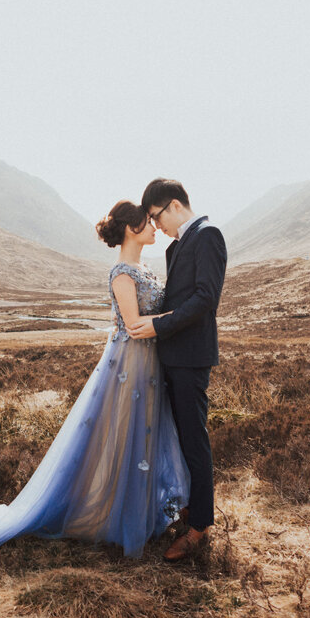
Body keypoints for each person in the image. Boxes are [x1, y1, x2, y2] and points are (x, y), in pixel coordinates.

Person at [0, 200, 190, 559]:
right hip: (130, 367)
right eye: (147, 222)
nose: (155, 226)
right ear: (130, 229)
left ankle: (137, 510)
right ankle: (109, 514)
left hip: (150, 368)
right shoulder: (123, 273)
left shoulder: (143, 267)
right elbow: (136, 326)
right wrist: (183, 314)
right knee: (122, 437)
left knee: (144, 437)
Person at [128, 178, 227, 563]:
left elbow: (206, 298)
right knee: (177, 439)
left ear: (172, 206)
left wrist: (158, 325)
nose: (156, 226)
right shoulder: (178, 244)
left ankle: (200, 526)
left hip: (191, 357)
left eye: (156, 217)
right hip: (171, 356)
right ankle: (187, 508)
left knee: (193, 440)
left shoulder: (208, 235)